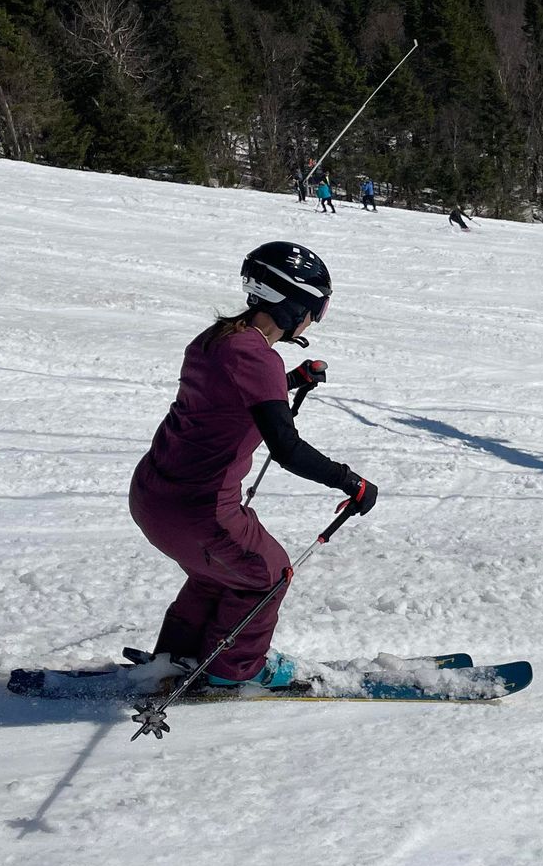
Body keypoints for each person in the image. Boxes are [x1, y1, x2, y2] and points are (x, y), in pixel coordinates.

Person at [127, 243, 377, 689]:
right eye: (316, 308)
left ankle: (176, 657)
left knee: (216, 574)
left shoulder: (215, 339)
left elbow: (226, 402)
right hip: (200, 510)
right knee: (268, 574)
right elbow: (286, 447)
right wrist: (350, 481)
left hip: (152, 497)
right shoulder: (258, 357)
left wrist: (288, 383)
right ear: (293, 302)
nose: (314, 319)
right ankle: (233, 672)